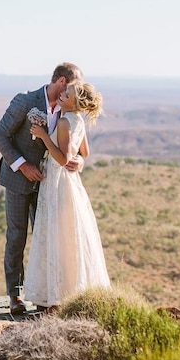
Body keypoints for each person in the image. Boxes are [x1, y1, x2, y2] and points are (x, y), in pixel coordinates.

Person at [0, 63, 85, 315]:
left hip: (50, 186)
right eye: (74, 86)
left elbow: (73, 147)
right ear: (63, 82)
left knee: (48, 238)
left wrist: (78, 160)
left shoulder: (69, 111)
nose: (78, 91)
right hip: (18, 181)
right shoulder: (26, 101)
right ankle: (15, 295)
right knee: (16, 237)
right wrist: (22, 166)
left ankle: (46, 295)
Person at [24, 81, 110, 310]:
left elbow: (62, 159)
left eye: (67, 93)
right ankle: (68, 291)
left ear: (76, 102)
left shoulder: (64, 122)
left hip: (58, 183)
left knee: (57, 235)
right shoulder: (77, 120)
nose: (62, 94)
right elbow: (85, 152)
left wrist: (43, 135)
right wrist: (80, 161)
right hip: (69, 183)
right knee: (68, 236)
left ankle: (58, 297)